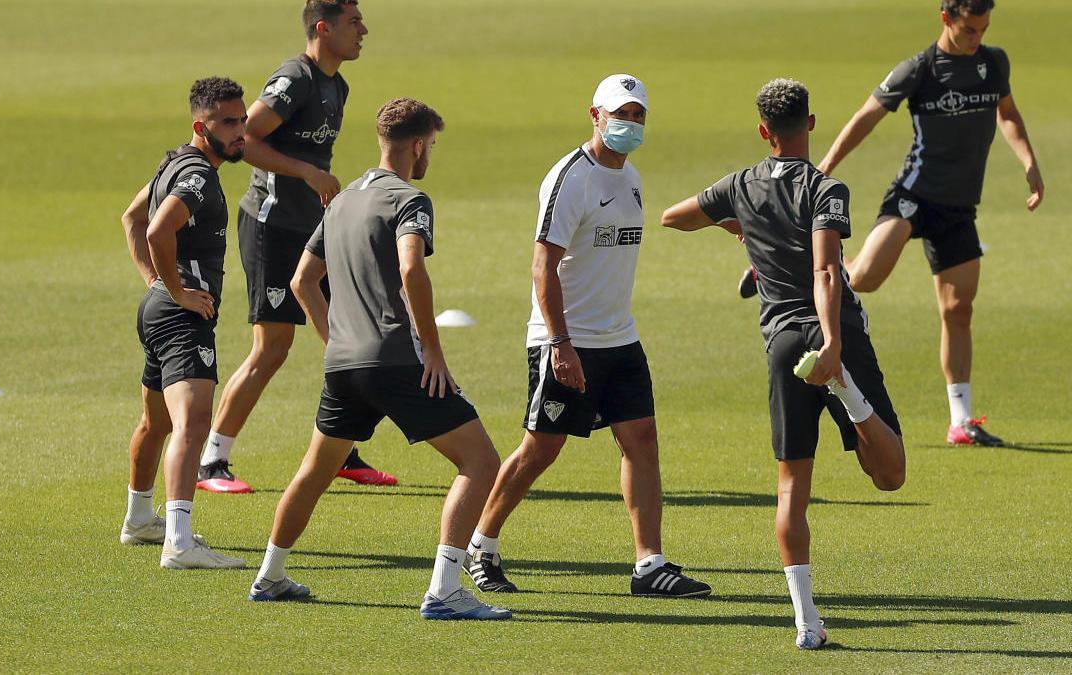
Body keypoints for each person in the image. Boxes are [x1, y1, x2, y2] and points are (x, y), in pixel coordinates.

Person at [661, 78, 906, 649]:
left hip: (780, 345)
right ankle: (848, 393)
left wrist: (740, 227)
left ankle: (806, 625)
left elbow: (675, 217)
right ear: (811, 125)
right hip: (831, 334)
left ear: (763, 131)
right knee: (890, 474)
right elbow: (826, 272)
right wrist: (833, 348)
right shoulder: (826, 189)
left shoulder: (741, 185)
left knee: (792, 486)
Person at [246, 98, 511, 620]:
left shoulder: (341, 200)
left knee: (313, 472)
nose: (430, 154)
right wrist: (432, 350)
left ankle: (270, 575)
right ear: (417, 145)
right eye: (431, 146)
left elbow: (303, 282)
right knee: (480, 463)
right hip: (396, 360)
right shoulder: (410, 200)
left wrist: (336, 341)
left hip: (344, 365)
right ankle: (444, 591)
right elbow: (412, 270)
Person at [462, 74, 711, 600]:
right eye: (620, 114)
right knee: (541, 448)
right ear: (594, 115)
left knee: (642, 440)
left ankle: (650, 565)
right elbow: (542, 264)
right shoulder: (570, 178)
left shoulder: (633, 178)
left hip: (620, 338)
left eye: (639, 115)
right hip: (567, 340)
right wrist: (559, 342)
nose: (630, 123)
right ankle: (480, 545)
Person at [815, 0, 1043, 446]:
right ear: (946, 19)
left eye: (983, 29)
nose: (977, 38)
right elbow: (866, 118)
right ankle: (784, 265)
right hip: (914, 196)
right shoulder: (919, 70)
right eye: (969, 30)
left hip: (959, 209)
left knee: (958, 311)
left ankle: (960, 421)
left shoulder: (993, 63)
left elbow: (1009, 114)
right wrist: (823, 169)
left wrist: (1030, 164)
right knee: (862, 278)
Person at [200, 0, 397, 493]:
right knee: (273, 346)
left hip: (312, 228)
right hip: (271, 225)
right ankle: (212, 460)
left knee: (343, 335)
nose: (364, 31)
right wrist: (308, 172)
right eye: (354, 23)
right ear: (324, 28)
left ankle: (342, 448)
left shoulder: (336, 84)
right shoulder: (296, 78)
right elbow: (245, 140)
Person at [118, 77, 249, 569]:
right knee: (192, 425)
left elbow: (130, 217)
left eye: (242, 120)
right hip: (181, 315)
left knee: (156, 422)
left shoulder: (174, 162)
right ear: (201, 125)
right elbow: (155, 227)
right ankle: (179, 540)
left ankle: (138, 519)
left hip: (158, 311)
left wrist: (154, 283)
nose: (241, 132)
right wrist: (175, 291)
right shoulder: (197, 177)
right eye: (229, 123)